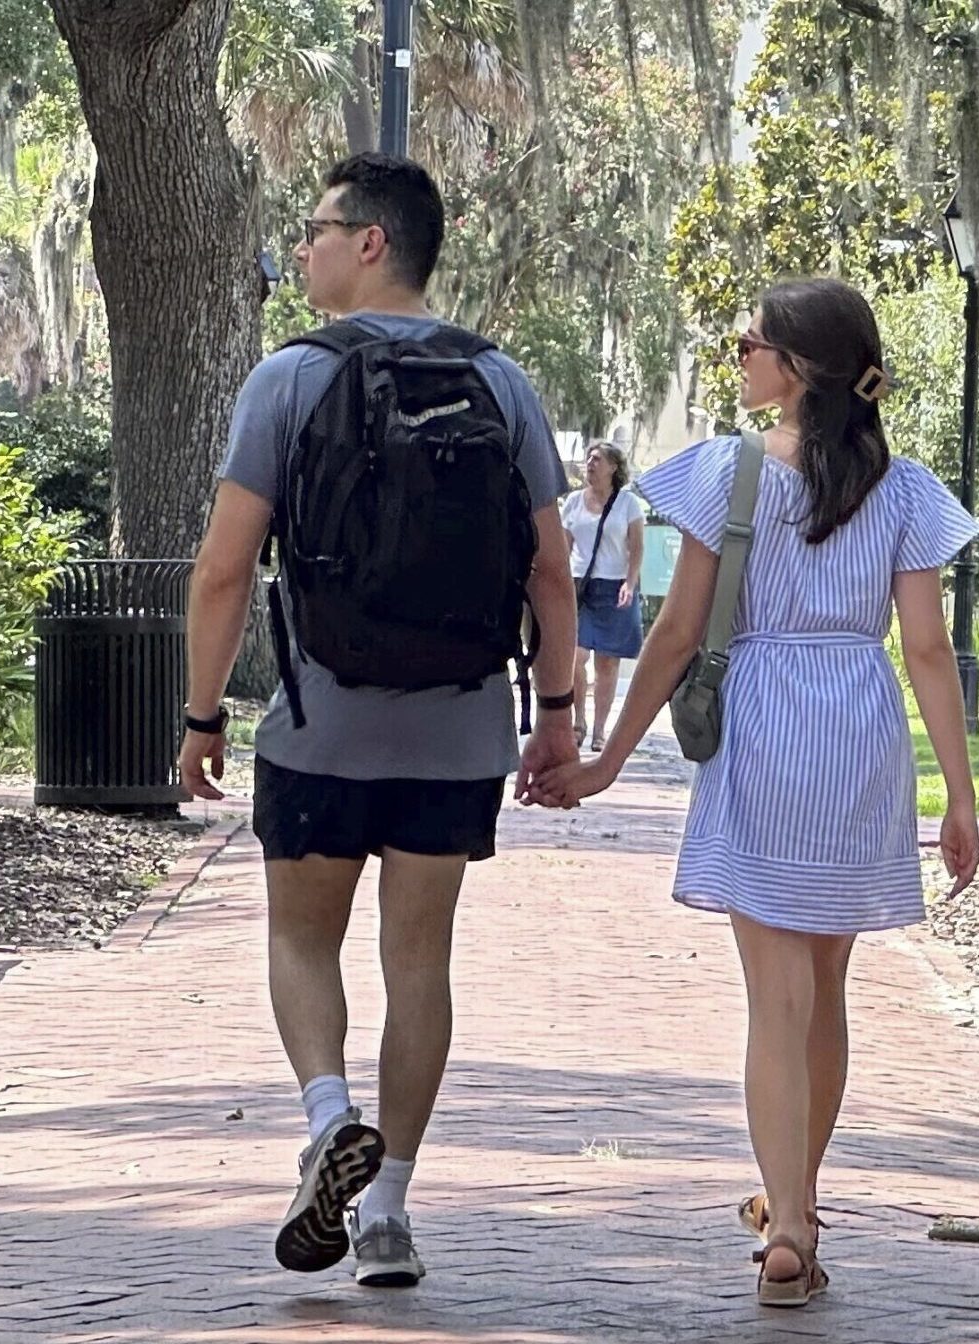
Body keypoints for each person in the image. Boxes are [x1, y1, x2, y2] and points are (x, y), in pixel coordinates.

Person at [530, 278, 979, 1307]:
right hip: (861, 732)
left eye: (751, 344)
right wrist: (959, 795)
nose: (739, 359)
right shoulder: (903, 489)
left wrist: (604, 758)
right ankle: (801, 1205)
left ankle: (785, 1224)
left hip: (766, 728)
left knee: (772, 1002)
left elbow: (679, 633)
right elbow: (924, 648)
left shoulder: (729, 473)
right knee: (824, 994)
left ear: (800, 367)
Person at [177, 152, 579, 1290]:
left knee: (302, 934)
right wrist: (554, 718)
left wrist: (201, 713)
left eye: (313, 230)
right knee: (421, 959)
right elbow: (551, 572)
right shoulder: (503, 383)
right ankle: (389, 1207)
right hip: (458, 728)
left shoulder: (288, 379)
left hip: (321, 721)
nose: (298, 250)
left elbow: (221, 569)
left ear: (370, 242)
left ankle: (323, 1120)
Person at [564, 441, 646, 752]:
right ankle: (578, 720)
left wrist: (630, 582)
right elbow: (564, 547)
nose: (590, 463)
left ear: (613, 467)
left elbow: (637, 547)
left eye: (597, 459)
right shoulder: (573, 502)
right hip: (581, 587)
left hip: (614, 586)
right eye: (589, 458)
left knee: (607, 664)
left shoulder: (628, 504)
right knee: (574, 657)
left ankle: (599, 731)